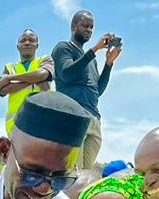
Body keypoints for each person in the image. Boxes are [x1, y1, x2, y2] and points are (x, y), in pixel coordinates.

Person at [51, 10, 121, 169]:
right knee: (73, 172)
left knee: (87, 175)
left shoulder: (91, 60)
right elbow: (67, 73)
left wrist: (108, 64)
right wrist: (95, 49)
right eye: (85, 26)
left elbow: (97, 91)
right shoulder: (63, 48)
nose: (89, 30)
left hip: (94, 119)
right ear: (73, 26)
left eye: (91, 27)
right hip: (74, 115)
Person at [0, 29, 54, 134]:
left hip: (42, 121)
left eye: (31, 40)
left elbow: (43, 74)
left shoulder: (45, 60)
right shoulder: (9, 67)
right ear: (18, 46)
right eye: (23, 40)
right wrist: (34, 79)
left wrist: (10, 78)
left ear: (37, 45)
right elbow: (2, 90)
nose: (27, 43)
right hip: (15, 125)